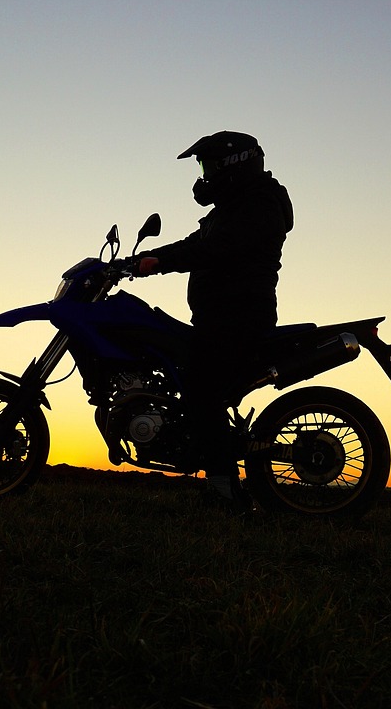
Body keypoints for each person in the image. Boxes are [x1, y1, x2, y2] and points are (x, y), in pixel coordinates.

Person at [131, 131, 294, 511]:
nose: (204, 176)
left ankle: (225, 489)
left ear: (233, 164)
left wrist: (161, 263)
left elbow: (216, 249)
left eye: (208, 166)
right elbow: (194, 243)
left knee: (200, 389)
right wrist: (141, 260)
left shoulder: (259, 204)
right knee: (183, 374)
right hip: (218, 316)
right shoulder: (234, 207)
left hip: (238, 317)